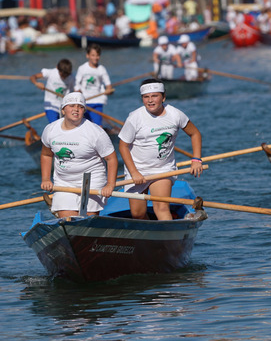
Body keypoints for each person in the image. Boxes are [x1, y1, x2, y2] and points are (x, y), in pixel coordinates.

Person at [118, 79, 204, 221]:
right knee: (137, 214)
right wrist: (134, 172)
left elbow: (195, 134)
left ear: (163, 97)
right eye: (146, 97)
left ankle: (168, 238)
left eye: (155, 96)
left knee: (162, 208)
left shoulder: (175, 114)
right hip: (137, 170)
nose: (150, 101)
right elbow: (123, 146)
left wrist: (196, 159)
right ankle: (147, 235)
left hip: (163, 169)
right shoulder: (135, 118)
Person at [40, 92, 118, 219]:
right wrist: (46, 179)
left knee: (87, 221)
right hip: (64, 182)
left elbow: (111, 159)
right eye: (72, 106)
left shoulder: (95, 132)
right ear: (63, 109)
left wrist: (110, 185)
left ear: (84, 111)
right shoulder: (50, 130)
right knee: (68, 221)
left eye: (80, 107)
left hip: (91, 181)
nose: (76, 109)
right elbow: (46, 155)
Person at [73, 43, 113, 126]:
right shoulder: (82, 68)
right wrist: (77, 91)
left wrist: (109, 90)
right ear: (87, 55)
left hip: (97, 101)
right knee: (83, 126)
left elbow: (108, 85)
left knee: (97, 126)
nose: (95, 58)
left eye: (97, 55)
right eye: (93, 55)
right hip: (84, 102)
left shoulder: (101, 69)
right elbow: (76, 84)